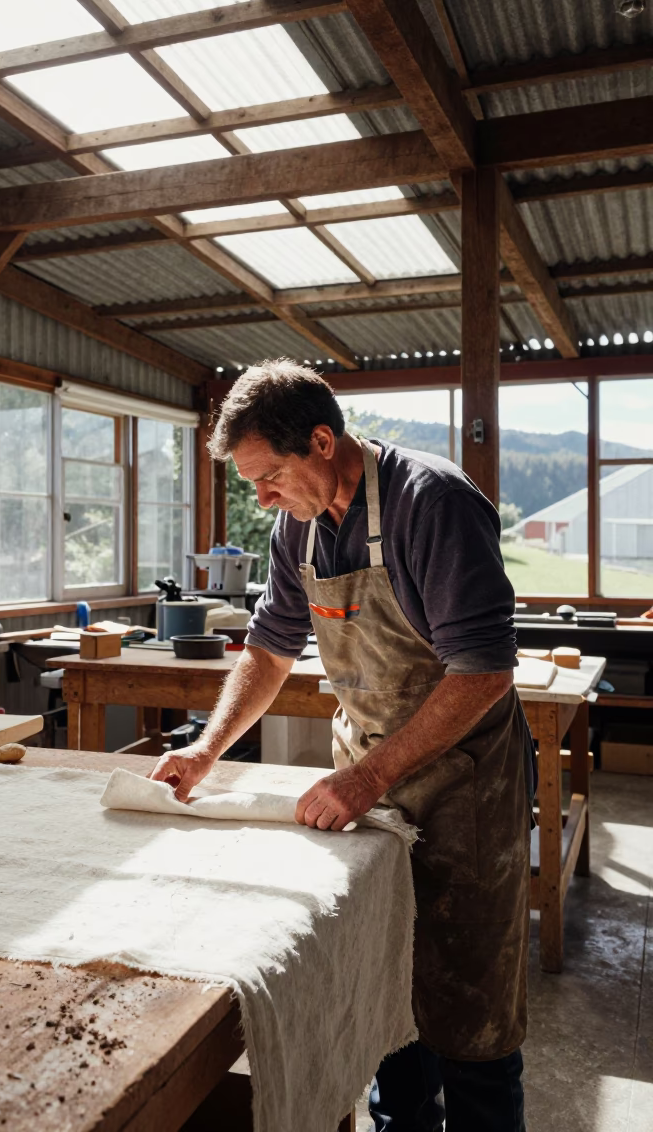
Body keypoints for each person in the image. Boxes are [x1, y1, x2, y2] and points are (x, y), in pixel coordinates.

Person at [150, 359, 533, 1132]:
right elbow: (268, 649)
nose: (261, 499)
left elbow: (482, 673)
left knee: (470, 1013)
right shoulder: (299, 524)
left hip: (465, 791)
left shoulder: (433, 502)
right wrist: (207, 750)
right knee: (385, 988)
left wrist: (367, 780)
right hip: (369, 786)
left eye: (269, 477)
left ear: (322, 441)